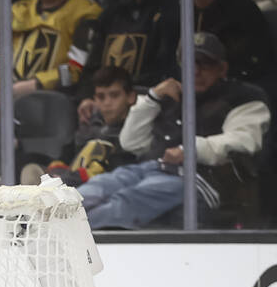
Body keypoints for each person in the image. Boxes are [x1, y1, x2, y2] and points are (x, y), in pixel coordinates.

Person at [77, 32, 271, 229]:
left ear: (222, 68)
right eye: (188, 63)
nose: (195, 71)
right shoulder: (171, 94)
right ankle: (55, 226)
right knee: (98, 187)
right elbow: (131, 142)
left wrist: (190, 149)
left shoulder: (243, 97)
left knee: (127, 199)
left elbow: (244, 140)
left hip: (200, 178)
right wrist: (153, 98)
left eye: (204, 64)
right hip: (149, 168)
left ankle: (72, 235)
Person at [77, 0, 179, 123]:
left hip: (150, 110)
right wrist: (87, 97)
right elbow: (92, 65)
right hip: (110, 106)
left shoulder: (175, 13)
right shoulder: (112, 14)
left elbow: (168, 70)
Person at [0, 0, 102, 98]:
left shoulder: (87, 13)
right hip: (4, 101)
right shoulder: (16, 11)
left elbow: (77, 70)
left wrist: (36, 84)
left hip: (59, 105)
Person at [34, 64, 137, 186]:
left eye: (114, 95)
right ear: (94, 99)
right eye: (101, 97)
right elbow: (63, 157)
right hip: (67, 186)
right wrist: (57, 173)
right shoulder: (89, 125)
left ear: (131, 97)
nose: (107, 103)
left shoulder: (135, 133)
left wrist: (64, 179)